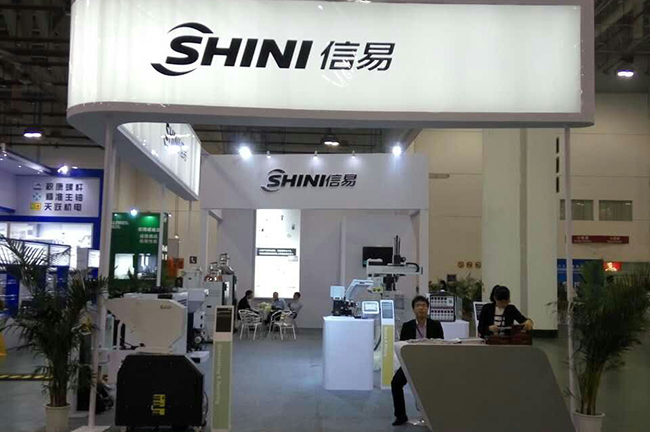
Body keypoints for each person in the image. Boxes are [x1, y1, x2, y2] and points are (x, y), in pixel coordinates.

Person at [391, 295, 444, 426]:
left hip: (430, 362)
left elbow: (441, 344)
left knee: (438, 383)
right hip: (410, 362)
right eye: (418, 306)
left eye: (424, 305)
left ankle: (435, 415)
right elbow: (402, 346)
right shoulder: (407, 326)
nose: (421, 308)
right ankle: (400, 416)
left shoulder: (435, 325)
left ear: (428, 308)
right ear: (413, 309)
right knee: (396, 383)